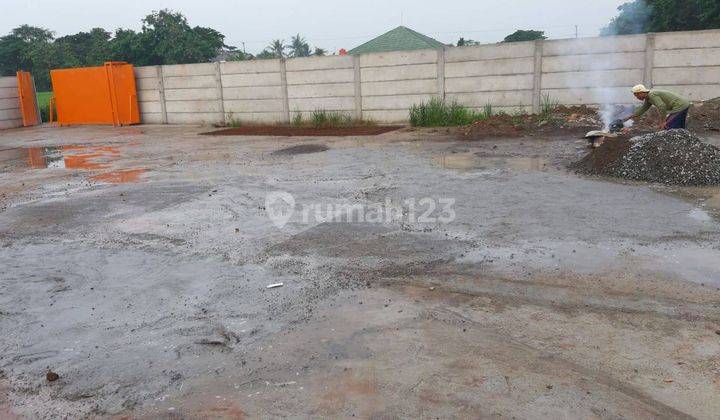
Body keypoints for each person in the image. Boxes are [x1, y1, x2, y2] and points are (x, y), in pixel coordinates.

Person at [624, 85, 691, 131]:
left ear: (641, 93)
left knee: (668, 126)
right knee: (677, 125)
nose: (637, 97)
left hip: (680, 106)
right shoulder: (648, 98)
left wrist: (663, 121)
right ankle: (680, 140)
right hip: (683, 104)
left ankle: (674, 142)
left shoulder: (652, 95)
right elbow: (643, 108)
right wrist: (630, 116)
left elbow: (662, 106)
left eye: (637, 95)